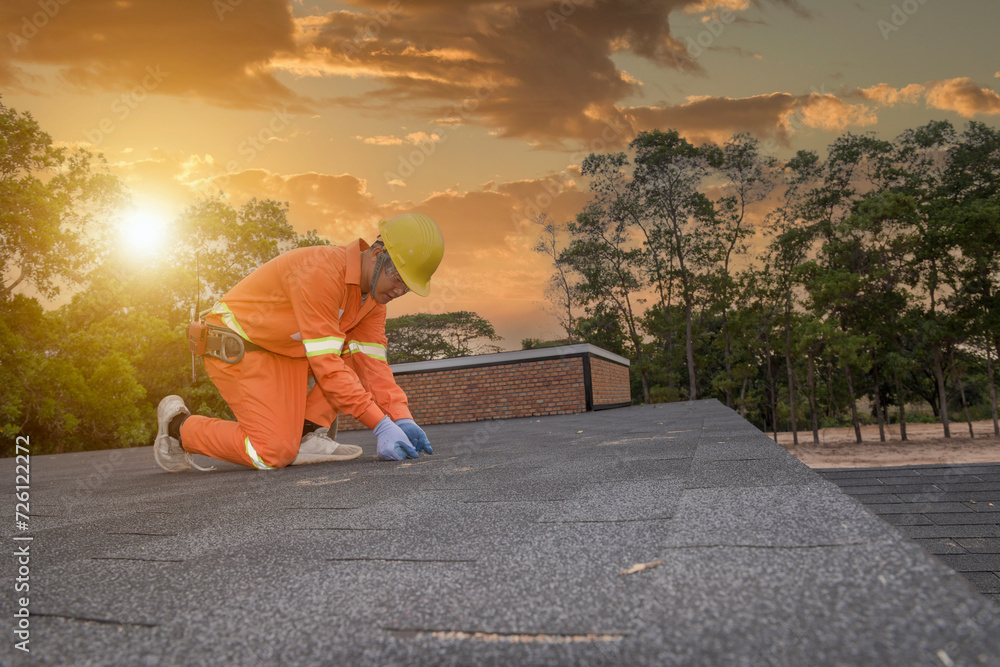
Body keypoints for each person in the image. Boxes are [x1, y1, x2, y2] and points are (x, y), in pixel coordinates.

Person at [153, 212, 444, 472]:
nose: (399, 289)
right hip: (239, 345)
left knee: (355, 353)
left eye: (407, 286)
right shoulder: (321, 271)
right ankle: (178, 429)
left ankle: (308, 434)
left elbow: (373, 366)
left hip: (286, 352)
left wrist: (401, 418)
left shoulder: (373, 303)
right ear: (377, 254)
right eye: (397, 277)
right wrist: (380, 425)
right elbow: (326, 365)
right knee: (273, 453)